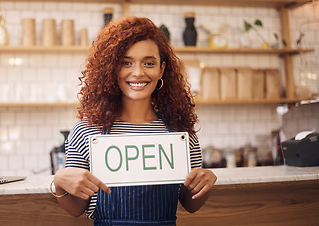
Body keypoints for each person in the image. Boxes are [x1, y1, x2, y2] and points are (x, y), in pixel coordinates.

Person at [52, 16, 217, 225]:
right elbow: (76, 209)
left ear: (161, 70)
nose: (138, 73)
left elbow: (189, 204)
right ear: (112, 69)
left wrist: (205, 184)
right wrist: (59, 182)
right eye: (126, 63)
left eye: (149, 63)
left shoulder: (180, 132)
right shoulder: (86, 131)